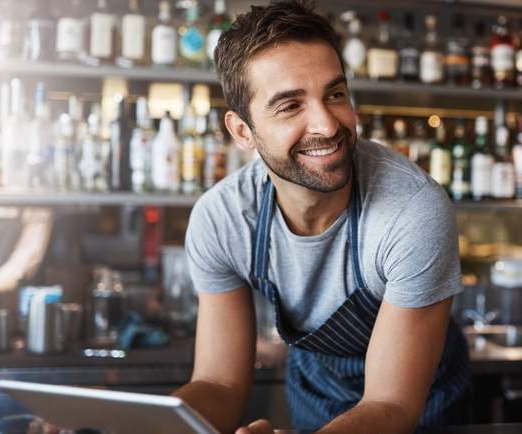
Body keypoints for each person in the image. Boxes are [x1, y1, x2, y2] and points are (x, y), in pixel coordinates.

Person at [173, 2, 471, 433]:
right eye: (290, 106)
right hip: (316, 391)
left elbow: (389, 405)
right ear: (242, 131)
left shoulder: (412, 211)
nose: (327, 125)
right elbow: (219, 383)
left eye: (334, 94)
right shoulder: (223, 219)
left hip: (420, 405)